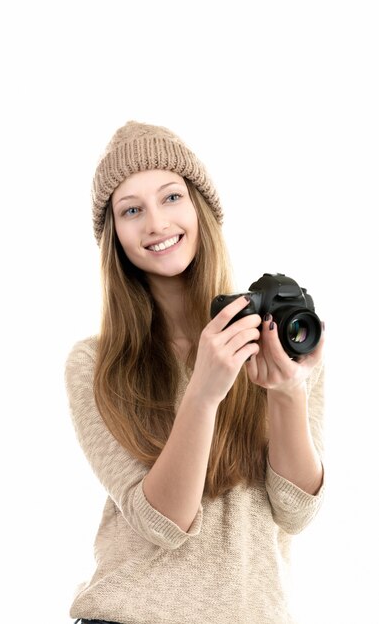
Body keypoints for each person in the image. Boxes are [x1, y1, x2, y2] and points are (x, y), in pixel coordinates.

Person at [64, 121, 325, 624]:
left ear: (200, 207)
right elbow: (162, 523)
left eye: (171, 197)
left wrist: (290, 390)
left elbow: (296, 512)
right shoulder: (94, 367)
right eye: (132, 210)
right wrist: (204, 394)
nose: (156, 223)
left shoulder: (272, 332)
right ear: (114, 236)